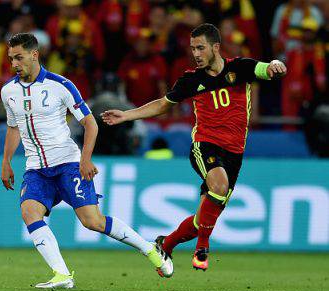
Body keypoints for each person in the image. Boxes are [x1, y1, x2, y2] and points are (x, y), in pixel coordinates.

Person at [102, 23, 287, 272]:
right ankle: (202, 248)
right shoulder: (191, 79)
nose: (196, 54)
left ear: (216, 47)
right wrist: (126, 116)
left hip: (234, 154)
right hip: (205, 146)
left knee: (202, 220)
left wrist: (276, 63)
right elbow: (162, 105)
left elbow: (266, 68)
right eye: (193, 49)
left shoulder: (239, 68)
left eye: (200, 48)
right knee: (218, 188)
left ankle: (165, 244)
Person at [0, 33, 173, 289]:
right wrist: (6, 162)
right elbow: (13, 128)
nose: (14, 64)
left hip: (68, 163)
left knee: (93, 222)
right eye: (11, 58)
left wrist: (85, 159)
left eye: (19, 57)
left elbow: (90, 124)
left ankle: (150, 250)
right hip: (36, 168)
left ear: (34, 54)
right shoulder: (9, 91)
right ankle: (62, 275)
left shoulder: (61, 85)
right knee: (29, 212)